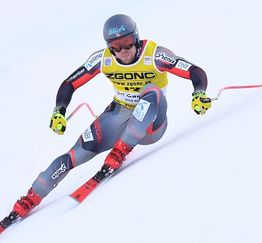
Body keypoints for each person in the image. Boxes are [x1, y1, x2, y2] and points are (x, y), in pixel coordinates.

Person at [12, 14, 212, 218]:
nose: (122, 52)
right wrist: (59, 111)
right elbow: (69, 83)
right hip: (120, 113)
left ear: (135, 38)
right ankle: (31, 198)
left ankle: (120, 151)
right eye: (115, 46)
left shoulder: (155, 55)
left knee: (152, 90)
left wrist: (199, 93)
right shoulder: (102, 59)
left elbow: (194, 70)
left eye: (126, 44)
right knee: (77, 153)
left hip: (151, 125)